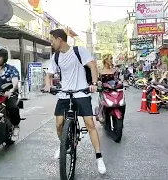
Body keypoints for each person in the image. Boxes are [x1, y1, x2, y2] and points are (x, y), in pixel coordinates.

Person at [43, 29, 106, 174]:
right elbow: (49, 75)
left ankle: (99, 157)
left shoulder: (79, 51)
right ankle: (64, 144)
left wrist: (94, 84)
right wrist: (48, 85)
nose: (51, 43)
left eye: (52, 40)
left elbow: (93, 66)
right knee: (59, 124)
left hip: (81, 92)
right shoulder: (56, 56)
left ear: (59, 39)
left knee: (90, 124)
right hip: (64, 94)